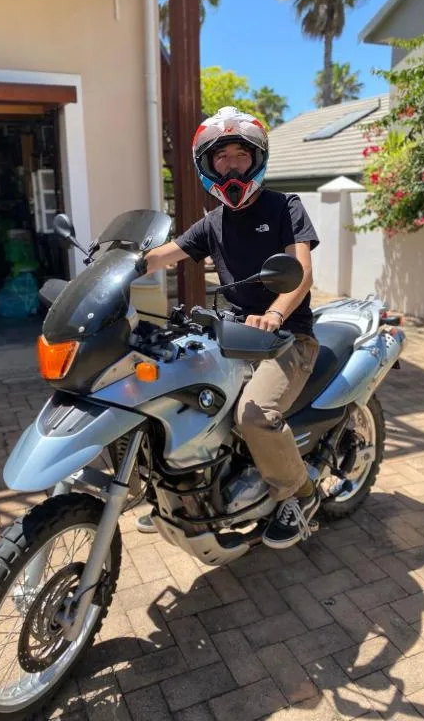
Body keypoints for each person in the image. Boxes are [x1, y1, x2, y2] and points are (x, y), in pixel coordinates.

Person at [136, 106, 321, 549]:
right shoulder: (212, 223)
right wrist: (119, 267)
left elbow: (302, 272)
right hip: (234, 336)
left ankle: (301, 495)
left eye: (241, 155)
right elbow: (165, 255)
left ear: (257, 160)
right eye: (222, 157)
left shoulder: (284, 207)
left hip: (287, 337)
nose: (232, 165)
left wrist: (275, 314)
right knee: (176, 393)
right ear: (207, 165)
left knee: (254, 416)